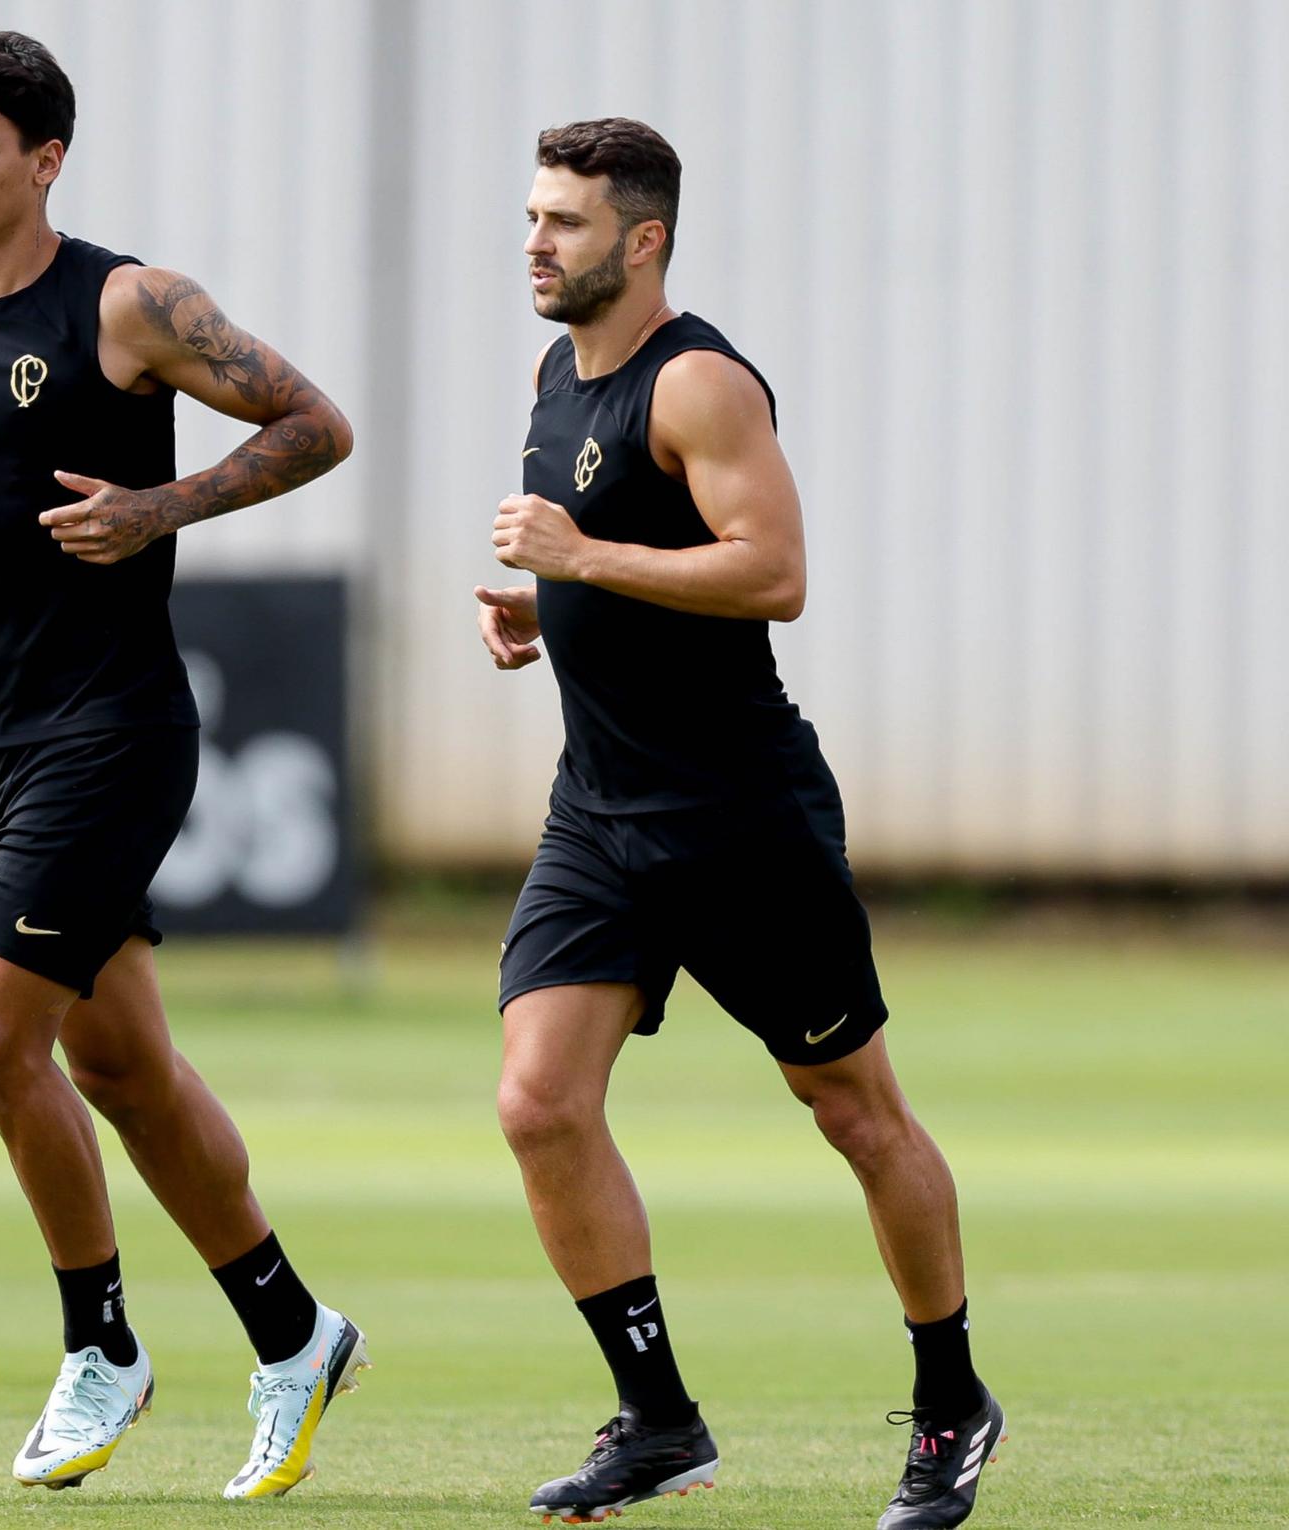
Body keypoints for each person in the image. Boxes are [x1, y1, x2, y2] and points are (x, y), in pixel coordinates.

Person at [0, 30, 364, 1501]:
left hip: (113, 728)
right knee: (118, 1062)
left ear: (43, 159)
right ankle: (294, 1331)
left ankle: (103, 1345)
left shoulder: (129, 304)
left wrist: (160, 505)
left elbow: (317, 423)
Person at [476, 118, 1003, 1529]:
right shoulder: (554, 370)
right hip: (601, 812)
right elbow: (639, 555)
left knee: (853, 1109)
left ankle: (951, 1400)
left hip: (738, 814)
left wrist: (579, 557)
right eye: (533, 216)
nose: (536, 240)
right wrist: (553, 607)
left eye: (566, 223)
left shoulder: (699, 381)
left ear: (643, 241)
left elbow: (773, 570)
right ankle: (657, 1421)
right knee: (539, 1101)